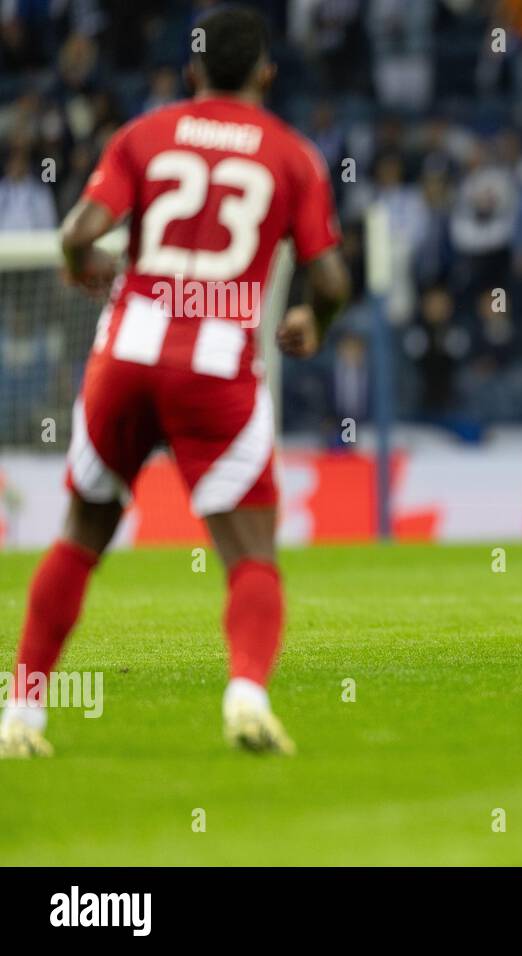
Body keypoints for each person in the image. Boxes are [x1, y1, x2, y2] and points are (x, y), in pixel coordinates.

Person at [0, 5, 350, 758]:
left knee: (82, 533)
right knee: (251, 551)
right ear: (266, 73)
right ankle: (247, 697)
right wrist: (313, 321)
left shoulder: (144, 135)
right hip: (218, 365)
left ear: (191, 73)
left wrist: (81, 269)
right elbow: (330, 275)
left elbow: (76, 234)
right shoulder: (292, 156)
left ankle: (22, 715)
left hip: (127, 352)